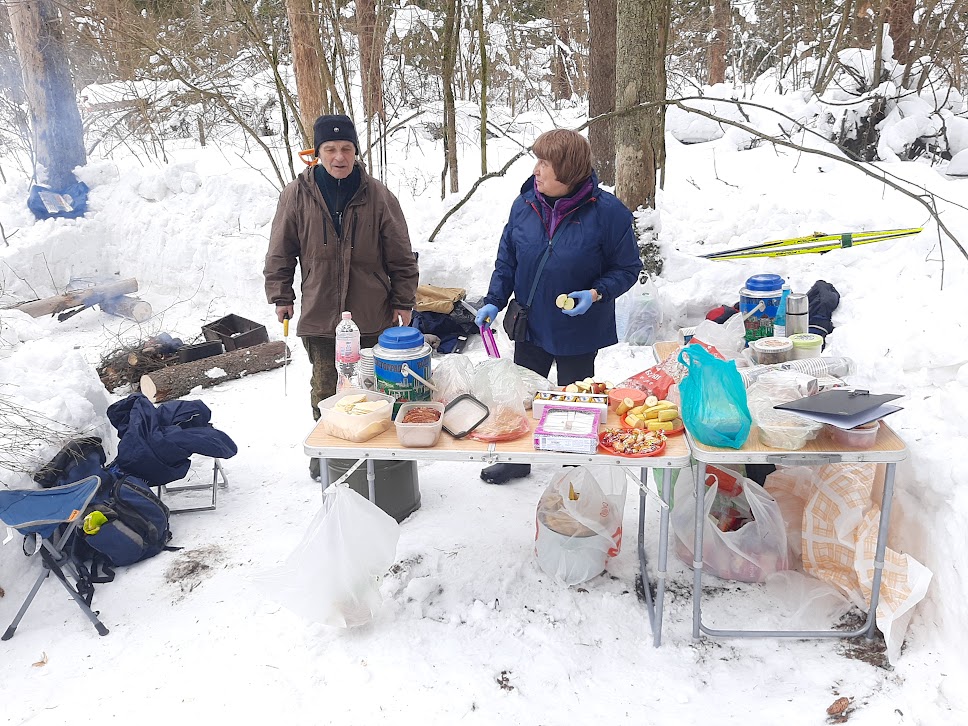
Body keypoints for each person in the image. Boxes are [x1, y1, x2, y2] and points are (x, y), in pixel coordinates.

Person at [475, 129, 642, 484]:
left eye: (545, 163)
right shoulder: (524, 204)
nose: (536, 170)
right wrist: (493, 301)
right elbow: (508, 259)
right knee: (523, 397)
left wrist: (596, 294)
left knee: (575, 403)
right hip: (529, 323)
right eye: (537, 160)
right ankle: (517, 458)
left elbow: (627, 269)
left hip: (578, 328)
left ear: (567, 170)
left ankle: (572, 468)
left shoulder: (609, 213)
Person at [264, 114, 418, 476]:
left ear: (355, 152)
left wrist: (403, 300)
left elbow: (400, 252)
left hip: (371, 312)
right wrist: (280, 294)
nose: (339, 157)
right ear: (316, 153)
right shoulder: (296, 194)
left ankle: (382, 457)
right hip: (320, 315)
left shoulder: (378, 195)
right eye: (330, 149)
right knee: (326, 387)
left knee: (377, 388)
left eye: (346, 148)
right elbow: (280, 250)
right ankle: (329, 455)